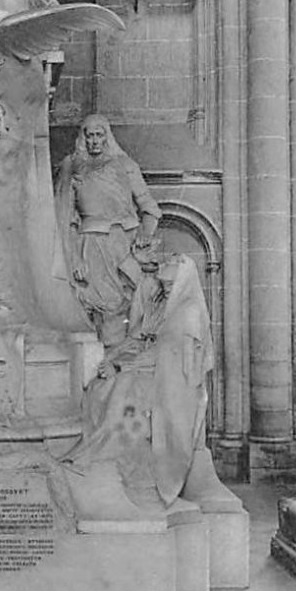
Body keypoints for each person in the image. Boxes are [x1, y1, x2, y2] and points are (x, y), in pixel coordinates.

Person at [65, 254, 213, 510]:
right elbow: (138, 338)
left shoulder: (187, 310)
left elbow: (165, 354)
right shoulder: (160, 302)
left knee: (123, 388)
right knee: (100, 386)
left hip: (170, 379)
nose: (165, 286)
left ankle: (103, 455)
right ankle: (95, 451)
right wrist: (111, 356)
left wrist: (122, 365)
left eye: (170, 283)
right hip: (148, 365)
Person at [55, 114, 161, 346]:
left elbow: (149, 208)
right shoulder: (71, 165)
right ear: (83, 138)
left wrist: (145, 233)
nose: (94, 141)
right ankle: (100, 367)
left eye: (99, 135)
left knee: (129, 305)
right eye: (89, 135)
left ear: (107, 137)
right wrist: (73, 258)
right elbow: (64, 217)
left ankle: (120, 366)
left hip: (125, 243)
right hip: (91, 246)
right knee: (98, 307)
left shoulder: (126, 165)